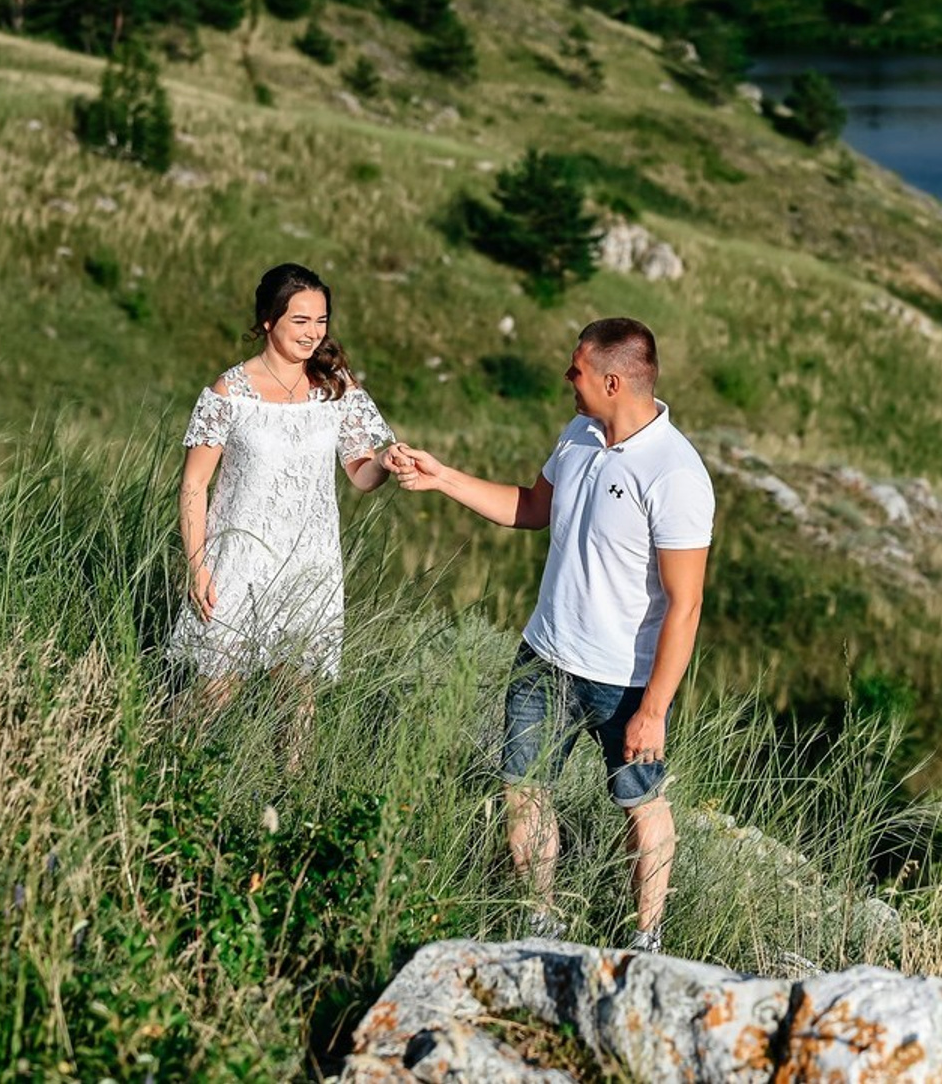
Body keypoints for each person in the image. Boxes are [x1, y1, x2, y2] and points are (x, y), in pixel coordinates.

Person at [394, 317, 713, 953]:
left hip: (622, 682)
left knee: (641, 805)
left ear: (613, 379)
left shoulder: (676, 474)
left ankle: (644, 941)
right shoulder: (578, 435)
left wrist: (653, 710)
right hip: (545, 655)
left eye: (578, 370)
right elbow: (531, 509)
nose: (568, 379)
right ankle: (539, 923)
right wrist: (442, 477)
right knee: (524, 788)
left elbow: (687, 604)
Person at [172, 262, 407, 741]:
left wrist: (387, 461)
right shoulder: (228, 393)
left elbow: (361, 475)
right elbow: (195, 486)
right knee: (219, 688)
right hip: (239, 558)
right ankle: (159, 760)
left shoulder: (337, 386)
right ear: (267, 320)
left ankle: (293, 799)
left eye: (321, 321)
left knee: (298, 695)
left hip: (311, 561)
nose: (313, 334)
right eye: (300, 321)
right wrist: (197, 565)